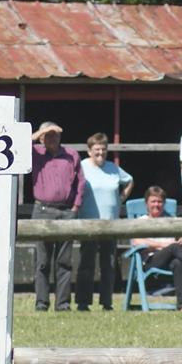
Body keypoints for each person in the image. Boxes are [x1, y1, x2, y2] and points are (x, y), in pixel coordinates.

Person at [30, 120, 85, 312]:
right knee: (42, 261)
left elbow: (80, 182)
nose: (52, 138)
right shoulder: (35, 153)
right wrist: (38, 134)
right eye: (48, 135)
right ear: (42, 137)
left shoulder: (71, 155)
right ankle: (41, 303)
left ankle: (62, 304)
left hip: (66, 211)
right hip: (42, 211)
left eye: (56, 135)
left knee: (64, 261)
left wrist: (76, 207)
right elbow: (18, 146)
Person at [76, 133, 134, 311]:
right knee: (86, 263)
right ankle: (83, 302)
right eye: (96, 150)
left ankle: (106, 302)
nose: (100, 153)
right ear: (89, 151)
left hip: (110, 223)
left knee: (108, 264)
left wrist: (121, 198)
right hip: (89, 222)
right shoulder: (82, 167)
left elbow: (130, 180)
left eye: (103, 150)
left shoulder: (113, 168)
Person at [131, 185, 182, 310]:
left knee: (178, 263)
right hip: (152, 261)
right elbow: (136, 242)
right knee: (174, 248)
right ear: (146, 204)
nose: (156, 204)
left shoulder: (172, 220)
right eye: (153, 201)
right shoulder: (141, 221)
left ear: (164, 203)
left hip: (171, 259)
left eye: (160, 201)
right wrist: (163, 245)